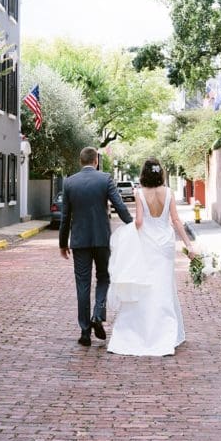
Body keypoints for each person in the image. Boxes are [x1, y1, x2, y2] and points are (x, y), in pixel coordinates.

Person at [106, 158, 198, 356]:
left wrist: (128, 235)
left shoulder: (139, 193)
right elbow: (175, 220)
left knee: (145, 284)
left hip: (147, 243)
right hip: (165, 244)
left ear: (144, 174)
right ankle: (165, 334)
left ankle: (139, 331)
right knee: (164, 286)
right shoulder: (169, 193)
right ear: (161, 173)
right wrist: (189, 245)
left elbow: (139, 221)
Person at [59, 146, 134, 347]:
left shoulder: (69, 182)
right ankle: (98, 314)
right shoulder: (105, 179)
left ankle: (85, 331)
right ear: (96, 161)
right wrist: (133, 226)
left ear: (80, 161)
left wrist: (62, 243)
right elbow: (119, 205)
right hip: (101, 239)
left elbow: (65, 217)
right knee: (104, 277)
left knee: (82, 284)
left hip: (79, 242)